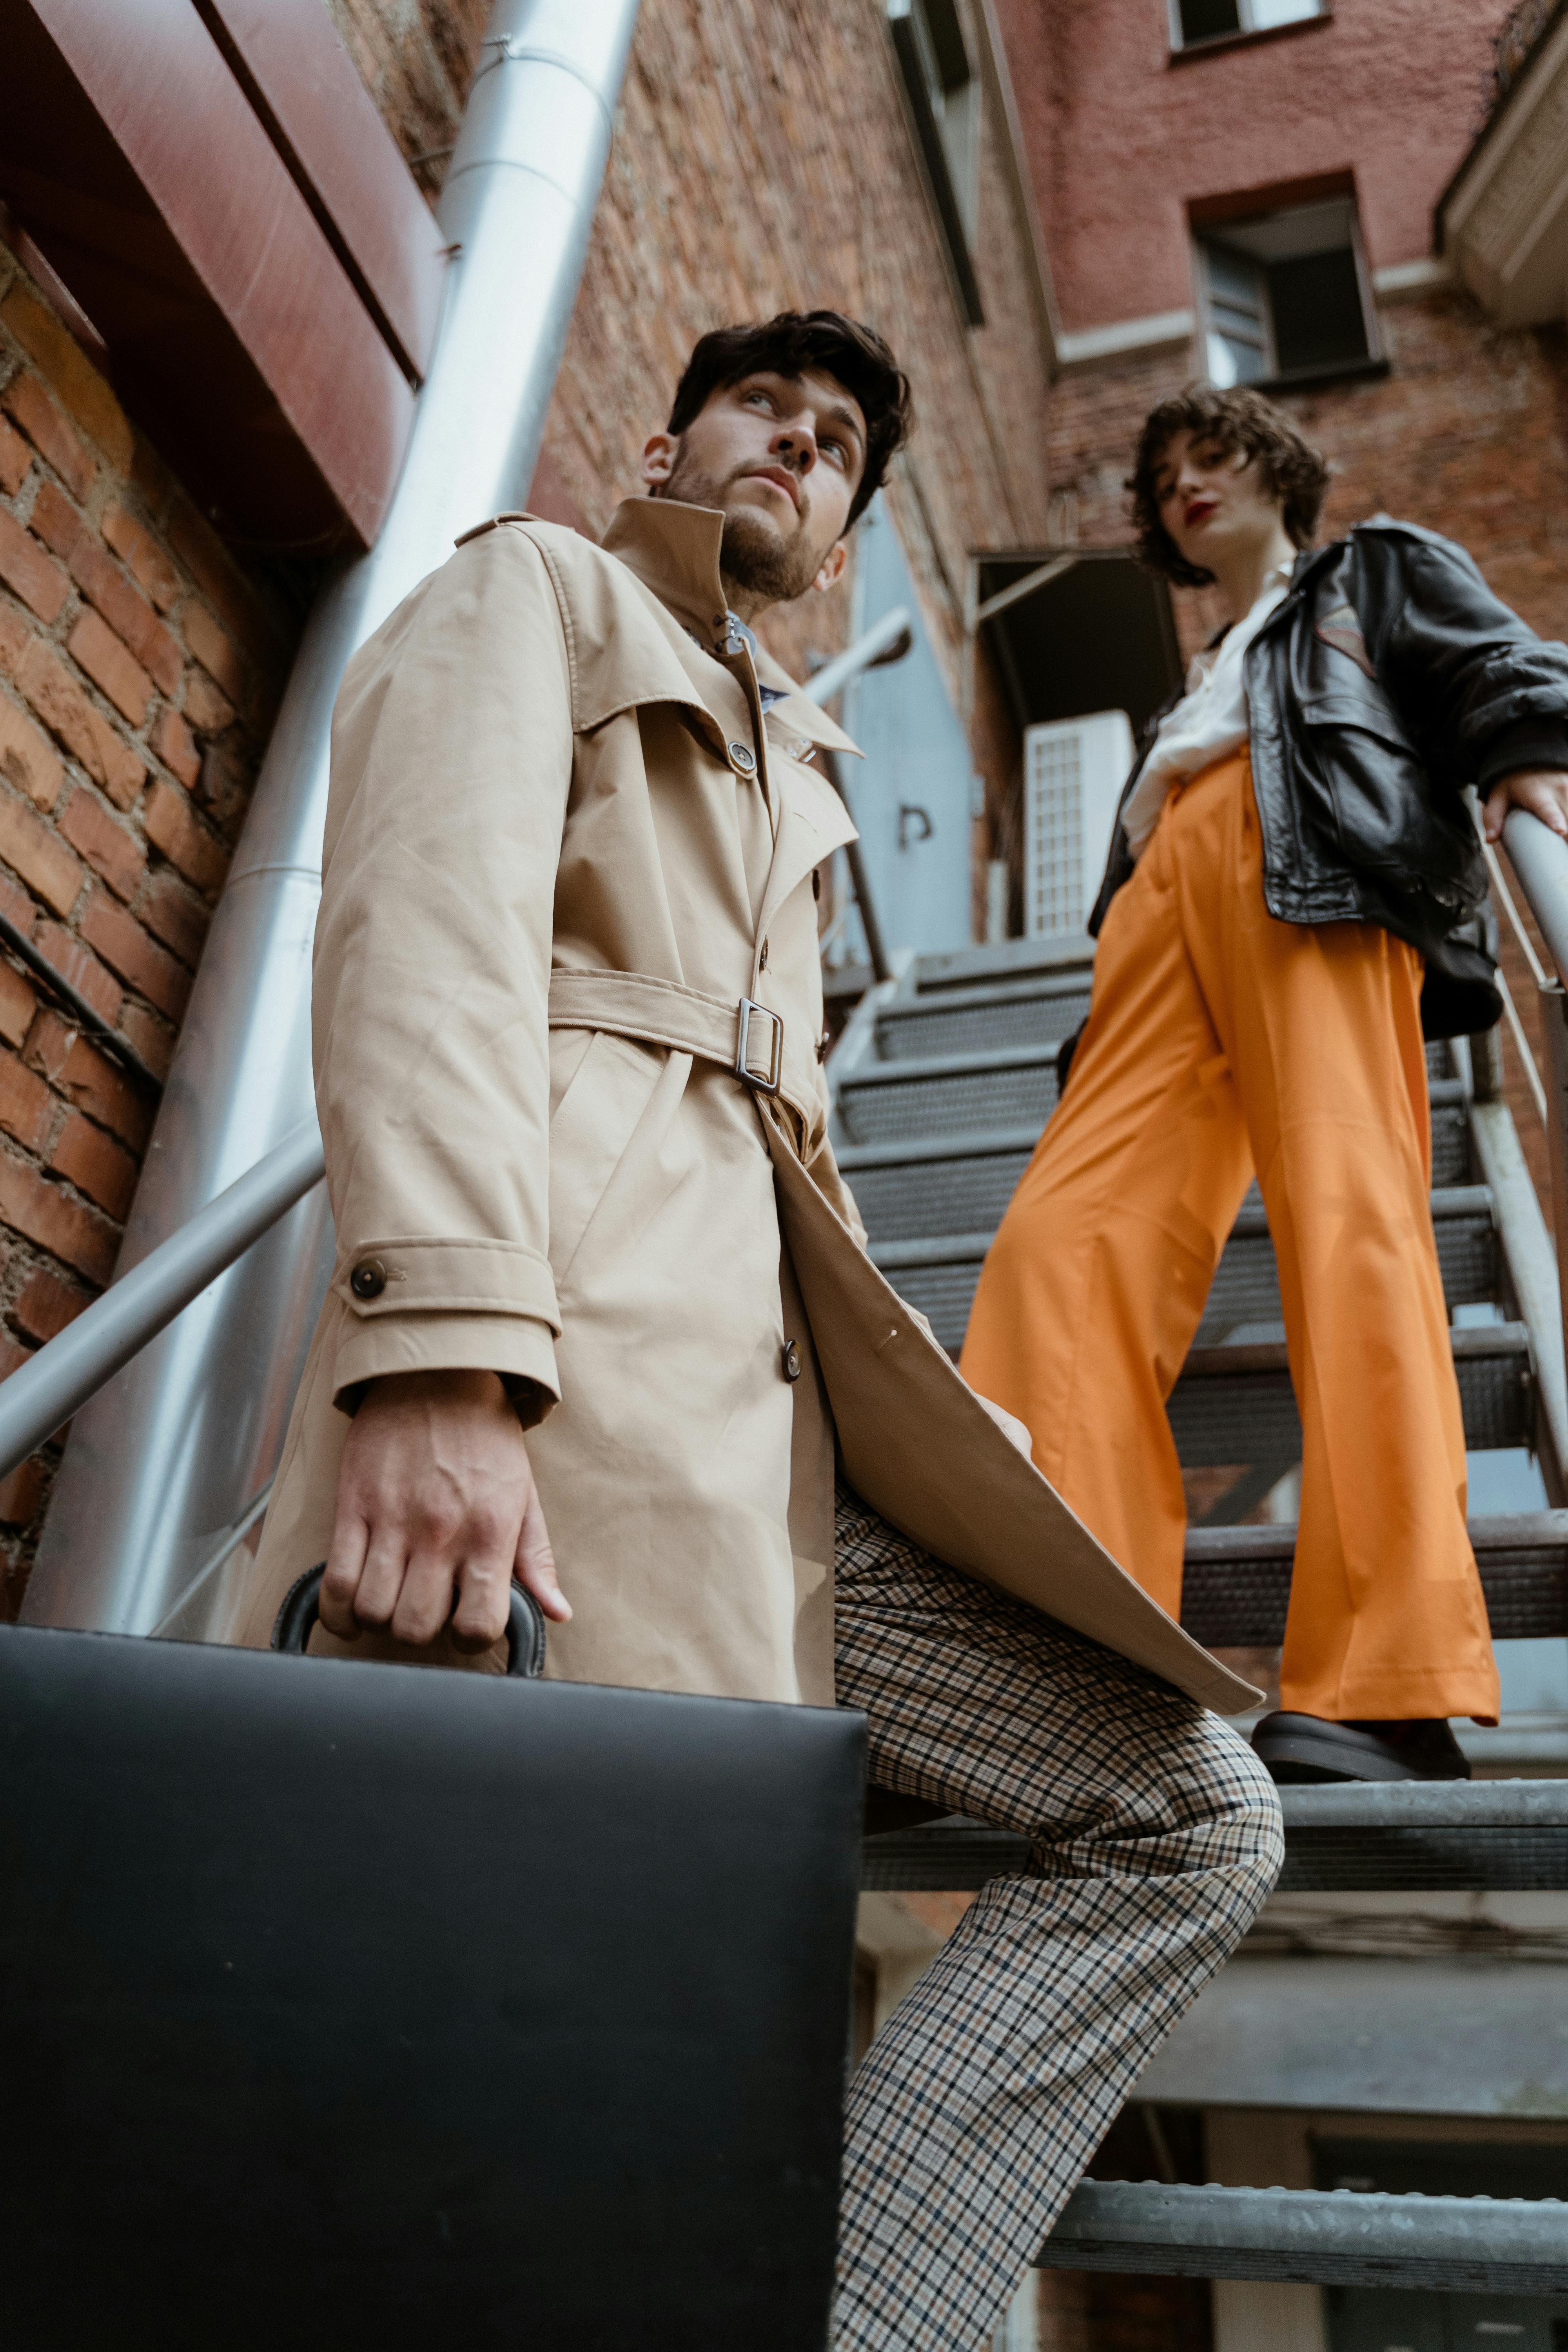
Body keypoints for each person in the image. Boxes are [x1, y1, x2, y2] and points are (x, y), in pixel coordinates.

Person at [231, 314, 1281, 2349]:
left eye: (837, 447)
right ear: (665, 448)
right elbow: (421, 931)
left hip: (772, 1454)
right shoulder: (537, 589)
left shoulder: (800, 759)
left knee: (1187, 1814)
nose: (799, 450)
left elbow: (785, 1155)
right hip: (560, 1392)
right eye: (764, 416)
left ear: (849, 538)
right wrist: (440, 1353)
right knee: (491, 2070)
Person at [962, 382, 1568, 1788]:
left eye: (1214, 452)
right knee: (1059, 1251)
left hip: (1312, 880)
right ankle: (1070, 1674)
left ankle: (1386, 1682)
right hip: (1154, 920)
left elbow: (1499, 666)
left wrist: (1531, 765)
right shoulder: (1188, 693)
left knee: (1353, 1234)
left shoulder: (1369, 572)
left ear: (1276, 469)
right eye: (1164, 473)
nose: (1188, 481)